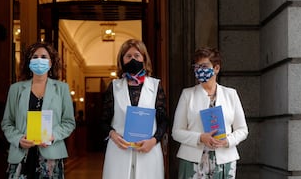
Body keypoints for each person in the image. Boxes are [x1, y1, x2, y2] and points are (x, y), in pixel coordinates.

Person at [1, 42, 76, 179]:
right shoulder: (16, 89)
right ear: (29, 62)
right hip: (21, 156)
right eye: (35, 57)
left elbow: (69, 122)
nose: (39, 60)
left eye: (43, 56)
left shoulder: (62, 88)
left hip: (51, 156)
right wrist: (18, 139)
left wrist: (53, 136)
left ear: (51, 62)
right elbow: (7, 123)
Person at [171, 47, 248, 178]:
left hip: (224, 159)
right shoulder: (187, 95)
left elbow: (242, 130)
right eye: (197, 67)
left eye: (204, 66)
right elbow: (176, 132)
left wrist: (227, 140)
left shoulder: (231, 94)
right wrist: (200, 137)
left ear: (216, 68)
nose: (200, 70)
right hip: (193, 160)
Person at [101, 39, 168, 179]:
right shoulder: (114, 86)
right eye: (128, 56)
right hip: (119, 149)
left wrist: (154, 141)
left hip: (148, 150)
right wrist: (113, 135)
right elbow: (103, 120)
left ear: (144, 58)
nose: (133, 59)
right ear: (122, 60)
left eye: (137, 55)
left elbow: (163, 121)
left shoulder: (155, 86)